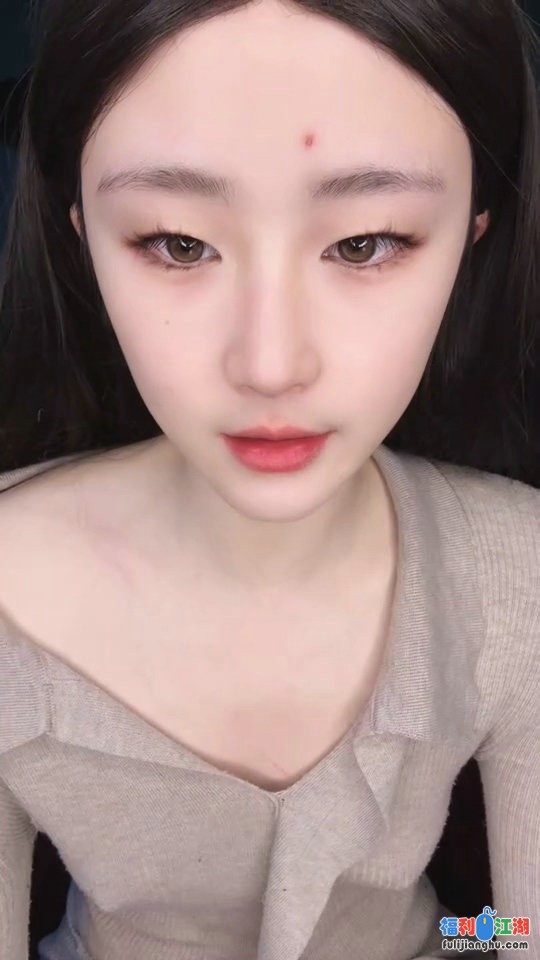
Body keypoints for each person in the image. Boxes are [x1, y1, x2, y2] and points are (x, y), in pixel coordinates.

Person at [0, 0, 538, 958]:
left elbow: (524, 930)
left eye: (364, 242)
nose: (271, 365)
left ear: (472, 234)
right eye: (178, 243)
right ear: (82, 236)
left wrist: (464, 947)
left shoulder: (516, 571)